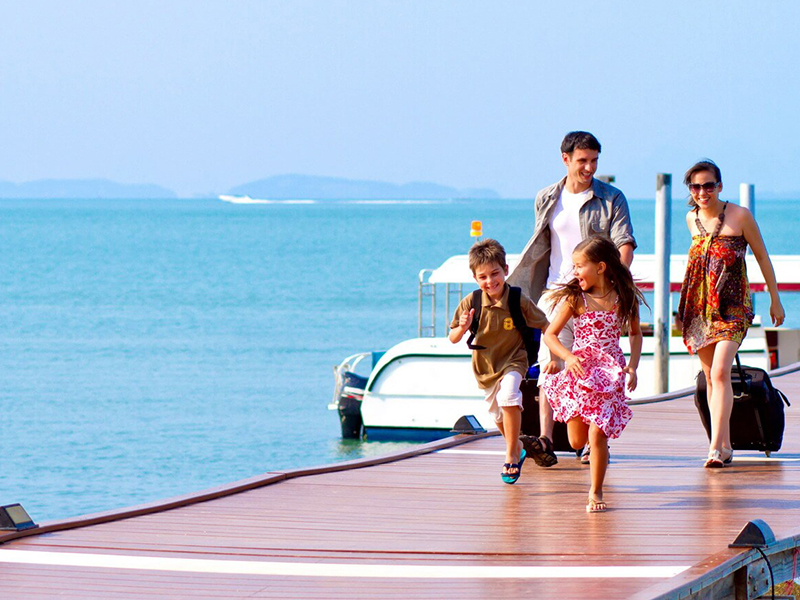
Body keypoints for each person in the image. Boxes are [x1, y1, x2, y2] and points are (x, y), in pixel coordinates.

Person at [507, 131, 636, 468]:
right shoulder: (547, 197)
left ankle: (592, 442)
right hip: (555, 292)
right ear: (565, 159)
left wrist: (613, 283)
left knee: (595, 368)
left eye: (594, 160)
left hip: (595, 294)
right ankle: (547, 440)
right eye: (583, 161)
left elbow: (624, 242)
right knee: (550, 362)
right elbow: (541, 243)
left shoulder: (612, 198)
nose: (589, 167)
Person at [677, 159, 785, 468]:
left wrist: (774, 299)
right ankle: (723, 446)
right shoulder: (691, 219)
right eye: (696, 186)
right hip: (701, 309)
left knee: (722, 371)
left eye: (708, 185)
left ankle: (715, 447)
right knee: (711, 377)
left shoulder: (740, 216)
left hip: (735, 306)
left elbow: (762, 256)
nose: (702, 192)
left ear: (719, 186)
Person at [541, 236, 644, 512]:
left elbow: (635, 335)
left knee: (598, 434)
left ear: (600, 267)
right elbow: (550, 335)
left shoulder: (623, 297)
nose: (575, 273)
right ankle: (591, 446)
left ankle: (595, 492)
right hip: (580, 371)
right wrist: (567, 356)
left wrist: (632, 365)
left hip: (610, 373)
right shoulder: (577, 299)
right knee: (577, 440)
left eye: (579, 266)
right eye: (574, 267)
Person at [449, 239, 549, 484]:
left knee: (509, 396)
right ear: (475, 278)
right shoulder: (470, 303)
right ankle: (517, 448)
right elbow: (452, 338)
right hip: (485, 368)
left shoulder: (517, 300)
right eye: (483, 277)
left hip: (515, 360)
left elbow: (545, 324)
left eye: (495, 274)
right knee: (497, 415)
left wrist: (553, 355)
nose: (490, 281)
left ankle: (510, 457)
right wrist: (462, 328)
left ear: (506, 269)